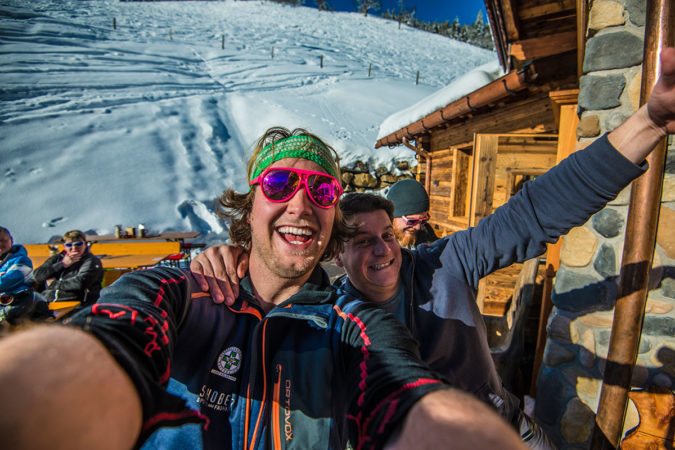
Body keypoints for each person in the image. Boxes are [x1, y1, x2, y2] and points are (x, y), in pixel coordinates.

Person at [189, 46, 675, 450]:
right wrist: (221, 259)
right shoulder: (330, 314)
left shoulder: (445, 264)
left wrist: (650, 123)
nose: (383, 250)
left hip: (507, 431)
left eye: (387, 234)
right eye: (362, 241)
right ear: (336, 252)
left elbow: (536, 211)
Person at [0, 127, 526, 450]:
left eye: (321, 190)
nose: (300, 204)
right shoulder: (185, 293)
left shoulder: (351, 322)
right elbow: (116, 336)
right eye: (279, 184)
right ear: (247, 204)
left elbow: (403, 390)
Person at [33, 229, 104, 306]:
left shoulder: (91, 261)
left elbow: (81, 282)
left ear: (85, 244)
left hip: (77, 304)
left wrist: (54, 284)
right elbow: (37, 276)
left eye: (78, 244)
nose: (74, 247)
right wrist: (62, 264)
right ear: (64, 246)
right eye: (69, 245)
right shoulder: (57, 258)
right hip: (47, 301)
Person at [0, 226, 39, 325]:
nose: (0, 244)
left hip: (17, 303)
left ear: (11, 240)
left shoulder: (21, 260)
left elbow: (10, 280)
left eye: (3, 240)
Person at [385, 178, 438, 248]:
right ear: (392, 217)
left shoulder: (426, 234)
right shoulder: (376, 245)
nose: (418, 227)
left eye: (424, 220)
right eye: (412, 221)